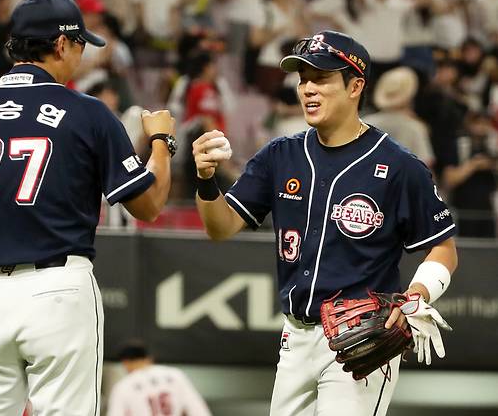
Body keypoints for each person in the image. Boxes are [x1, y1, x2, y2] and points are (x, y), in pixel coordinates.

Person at [0, 0, 176, 416]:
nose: (82, 55)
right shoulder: (87, 112)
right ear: (62, 44)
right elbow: (148, 205)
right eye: (81, 44)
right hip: (59, 290)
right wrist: (162, 141)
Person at [191, 30, 458, 416]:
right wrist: (205, 180)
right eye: (302, 79)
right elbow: (220, 227)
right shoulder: (280, 155)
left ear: (355, 86)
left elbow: (443, 247)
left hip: (360, 338)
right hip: (294, 337)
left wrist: (418, 293)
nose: (308, 89)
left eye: (321, 78)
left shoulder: (399, 166)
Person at [107, 339, 212, 416]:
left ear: (126, 363)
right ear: (149, 358)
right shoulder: (175, 375)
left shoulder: (124, 386)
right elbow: (199, 411)